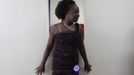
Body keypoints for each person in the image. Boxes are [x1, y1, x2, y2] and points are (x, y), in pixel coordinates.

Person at [35, 0, 91, 75]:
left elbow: (81, 47)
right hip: (58, 67)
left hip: (74, 66)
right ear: (66, 13)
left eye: (79, 13)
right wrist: (42, 64)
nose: (78, 15)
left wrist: (86, 62)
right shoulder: (54, 28)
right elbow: (49, 47)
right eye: (76, 12)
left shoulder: (79, 29)